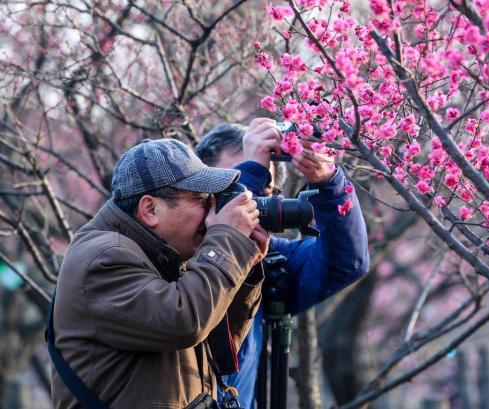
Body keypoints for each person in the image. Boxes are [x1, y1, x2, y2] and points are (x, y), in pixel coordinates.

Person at [50, 138, 270, 408]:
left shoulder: (165, 255)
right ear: (150, 209)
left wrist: (243, 265)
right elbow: (185, 323)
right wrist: (227, 241)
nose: (212, 211)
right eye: (201, 199)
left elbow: (217, 344)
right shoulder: (104, 258)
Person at [196, 118, 370, 408]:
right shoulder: (168, 256)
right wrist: (252, 173)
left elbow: (346, 262)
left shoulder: (270, 262)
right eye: (235, 187)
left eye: (261, 194)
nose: (250, 206)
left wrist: (330, 184)